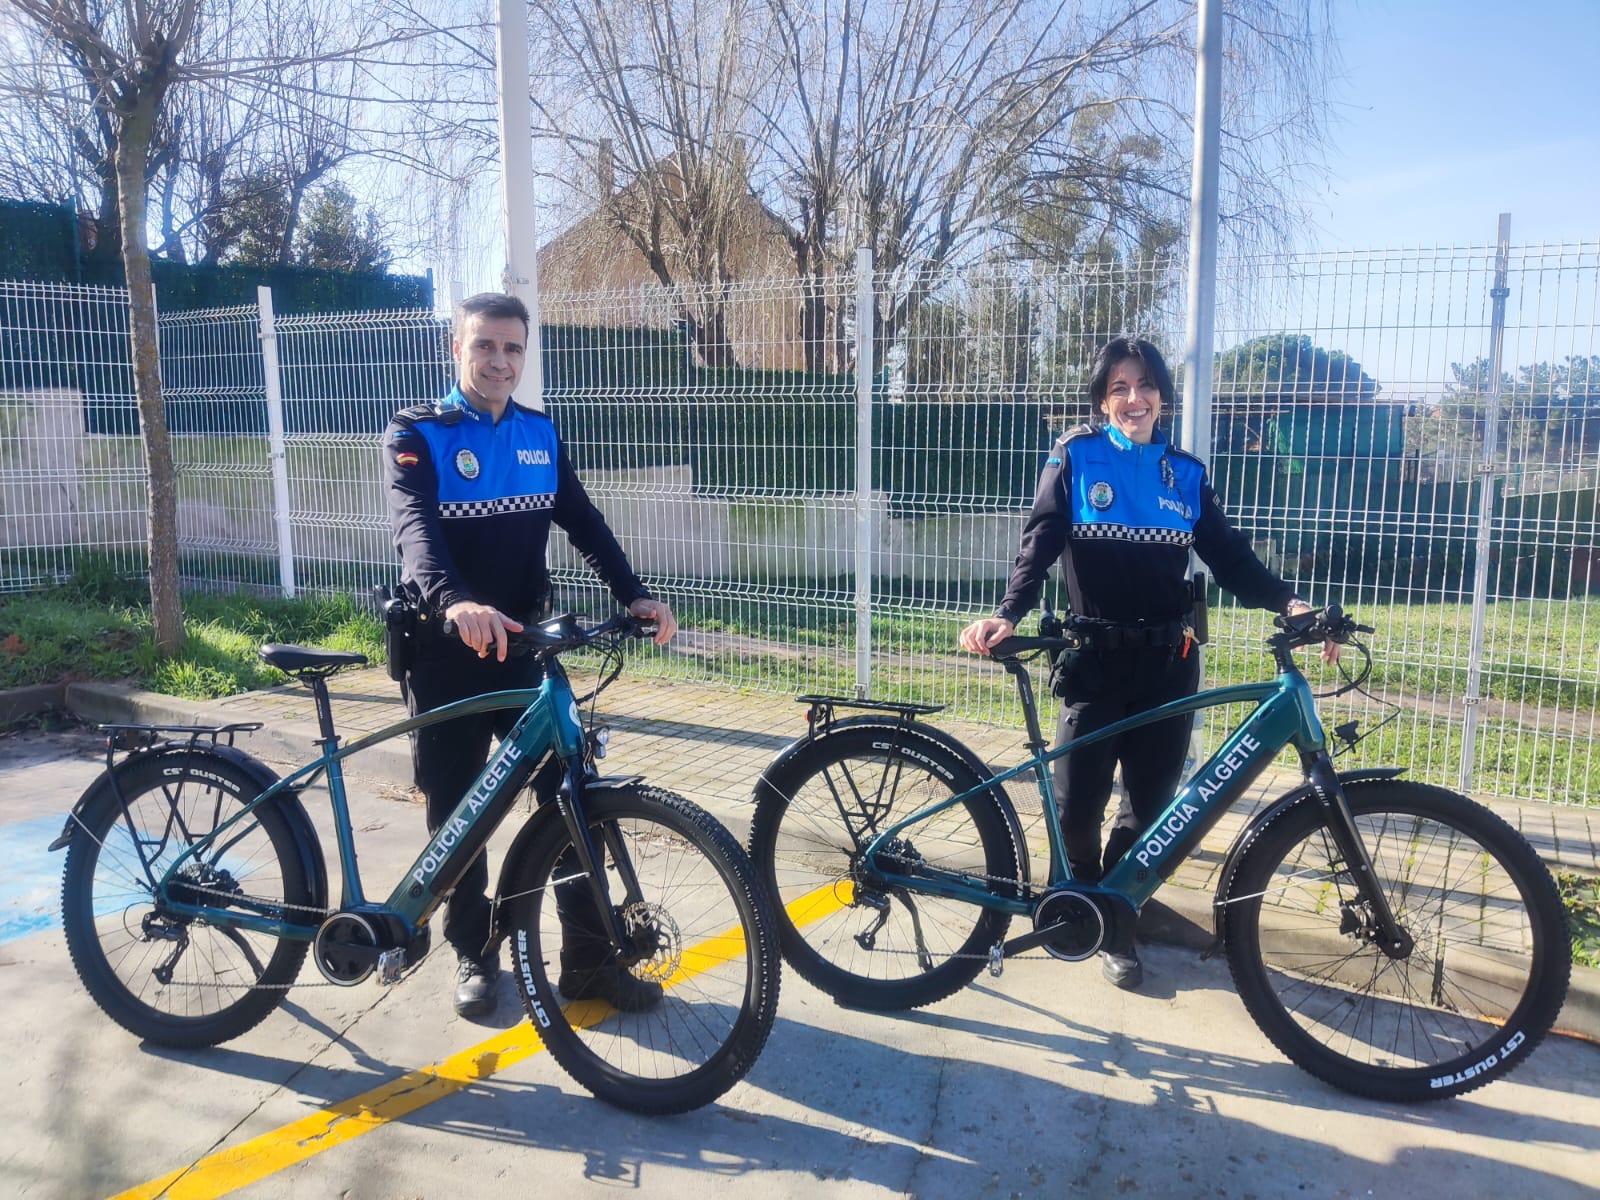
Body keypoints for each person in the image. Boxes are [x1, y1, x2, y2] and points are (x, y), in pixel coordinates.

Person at [959, 336, 1327, 991]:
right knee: (1078, 804)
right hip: (1094, 662)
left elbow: (1230, 557)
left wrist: (1290, 602)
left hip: (1168, 663)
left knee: (1152, 809)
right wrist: (1009, 613)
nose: (1135, 399)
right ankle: (1076, 902)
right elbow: (1040, 542)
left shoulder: (1185, 473)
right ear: (1103, 399)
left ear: (1162, 394)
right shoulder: (1078, 455)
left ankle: (1116, 922)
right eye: (1119, 388)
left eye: (1146, 385)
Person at [384, 291, 677, 1018]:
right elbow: (415, 531)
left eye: (513, 349)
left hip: (525, 650)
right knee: (461, 813)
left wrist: (634, 592)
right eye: (485, 346)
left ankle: (587, 960)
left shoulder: (538, 435)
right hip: (445, 651)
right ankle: (475, 951)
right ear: (458, 349)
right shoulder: (417, 432)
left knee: (573, 802)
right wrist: (454, 600)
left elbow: (583, 521)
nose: (500, 361)